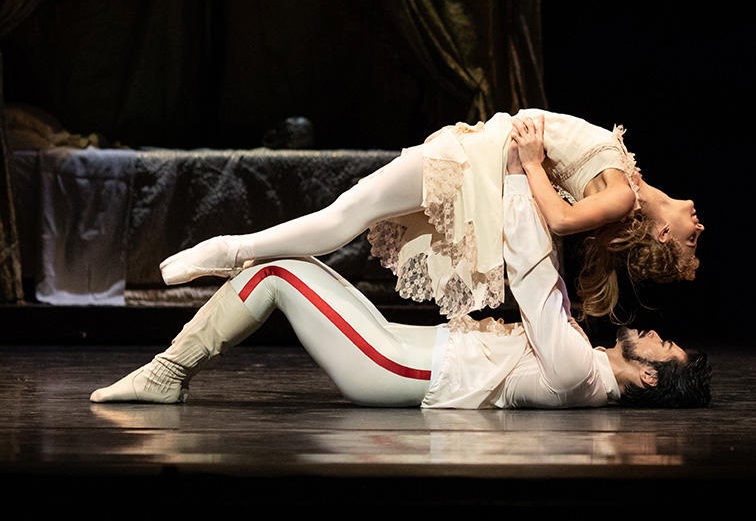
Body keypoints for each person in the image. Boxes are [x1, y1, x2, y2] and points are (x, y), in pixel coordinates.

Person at [90, 144, 711, 409]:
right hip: (394, 347)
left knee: (277, 275)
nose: (655, 335)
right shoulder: (584, 364)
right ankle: (172, 366)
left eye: (663, 347)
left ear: (650, 374)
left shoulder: (580, 371)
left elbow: (532, 276)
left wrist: (523, 172)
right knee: (293, 265)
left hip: (390, 365)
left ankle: (168, 373)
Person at [158, 109, 705, 322]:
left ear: (662, 233)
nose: (699, 228)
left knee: (346, 216)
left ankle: (230, 250)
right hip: (475, 165)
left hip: (474, 170)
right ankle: (231, 252)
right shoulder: (627, 180)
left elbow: (561, 222)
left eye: (691, 244)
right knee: (345, 217)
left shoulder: (625, 199)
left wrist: (533, 162)